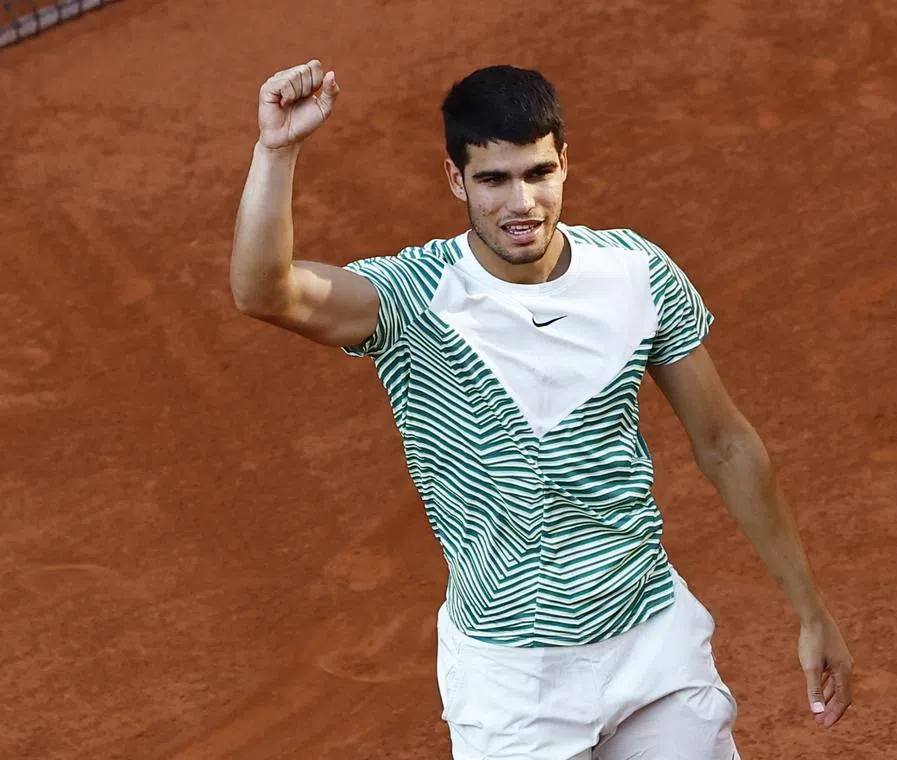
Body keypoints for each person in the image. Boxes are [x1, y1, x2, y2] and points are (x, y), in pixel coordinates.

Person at [230, 58, 854, 759]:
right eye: (493, 180)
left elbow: (726, 444)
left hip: (651, 642)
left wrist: (810, 610)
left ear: (565, 164)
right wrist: (276, 151)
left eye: (537, 173)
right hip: (512, 682)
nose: (520, 203)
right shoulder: (410, 297)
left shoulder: (636, 273)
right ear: (455, 180)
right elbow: (266, 292)